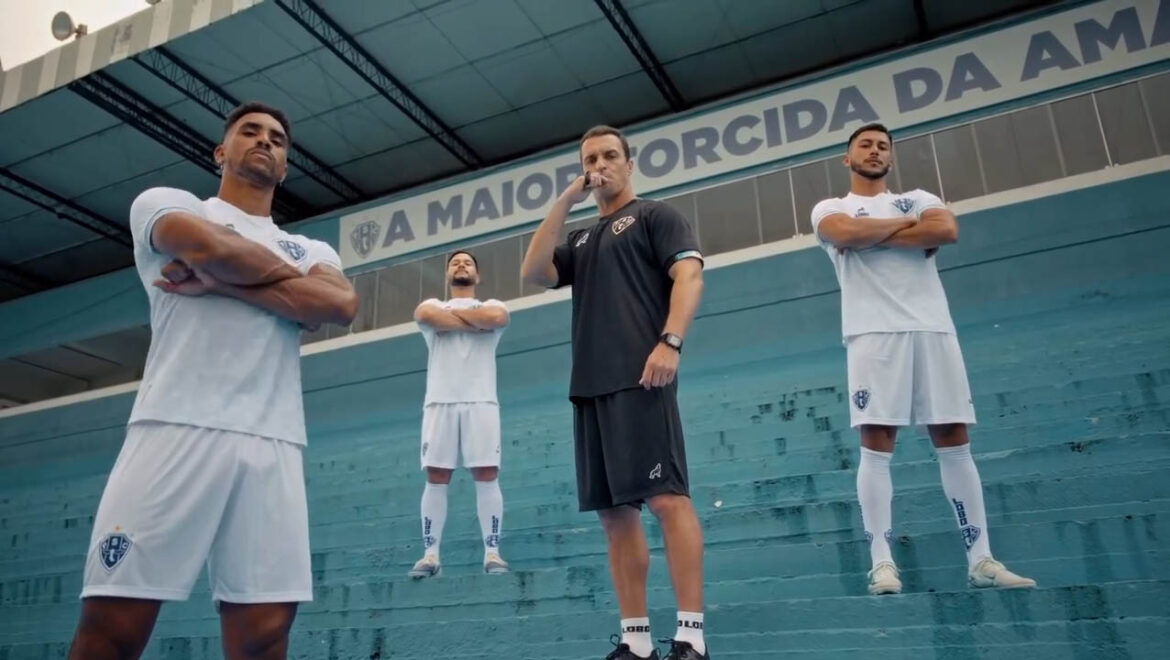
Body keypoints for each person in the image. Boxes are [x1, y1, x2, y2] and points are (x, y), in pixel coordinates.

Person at [68, 101, 358, 659]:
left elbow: (341, 304)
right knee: (112, 628)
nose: (265, 141)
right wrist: (294, 295)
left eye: (277, 137)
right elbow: (205, 245)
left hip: (273, 440)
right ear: (221, 152)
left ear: (287, 164)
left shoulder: (314, 249)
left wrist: (224, 283)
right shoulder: (168, 203)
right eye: (249, 132)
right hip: (174, 426)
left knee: (265, 636)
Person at [810, 122, 1036, 596]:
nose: (875, 151)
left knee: (954, 437)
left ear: (891, 157)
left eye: (883, 146)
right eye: (865, 146)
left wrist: (879, 232)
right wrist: (907, 230)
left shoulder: (917, 196)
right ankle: (882, 562)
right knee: (877, 441)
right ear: (846, 159)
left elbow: (947, 228)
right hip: (873, 333)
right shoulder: (832, 206)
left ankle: (981, 559)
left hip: (933, 327)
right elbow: (843, 233)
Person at [521, 125, 709, 660]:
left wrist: (670, 341)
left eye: (608, 155)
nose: (599, 164)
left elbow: (690, 276)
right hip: (591, 389)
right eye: (589, 159)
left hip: (643, 378)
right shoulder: (580, 239)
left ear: (629, 163)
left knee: (667, 499)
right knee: (615, 515)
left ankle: (692, 636)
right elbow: (534, 271)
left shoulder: (655, 216)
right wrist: (565, 199)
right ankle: (637, 641)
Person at [407, 250, 511, 578]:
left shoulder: (494, 305)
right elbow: (424, 314)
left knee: (486, 473)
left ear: (477, 276)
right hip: (440, 401)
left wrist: (454, 323)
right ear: (448, 275)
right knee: (437, 476)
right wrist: (473, 324)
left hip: (481, 401)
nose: (461, 265)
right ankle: (430, 556)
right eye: (455, 263)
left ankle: (492, 553)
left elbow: (496, 320)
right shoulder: (432, 304)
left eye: (468, 263)